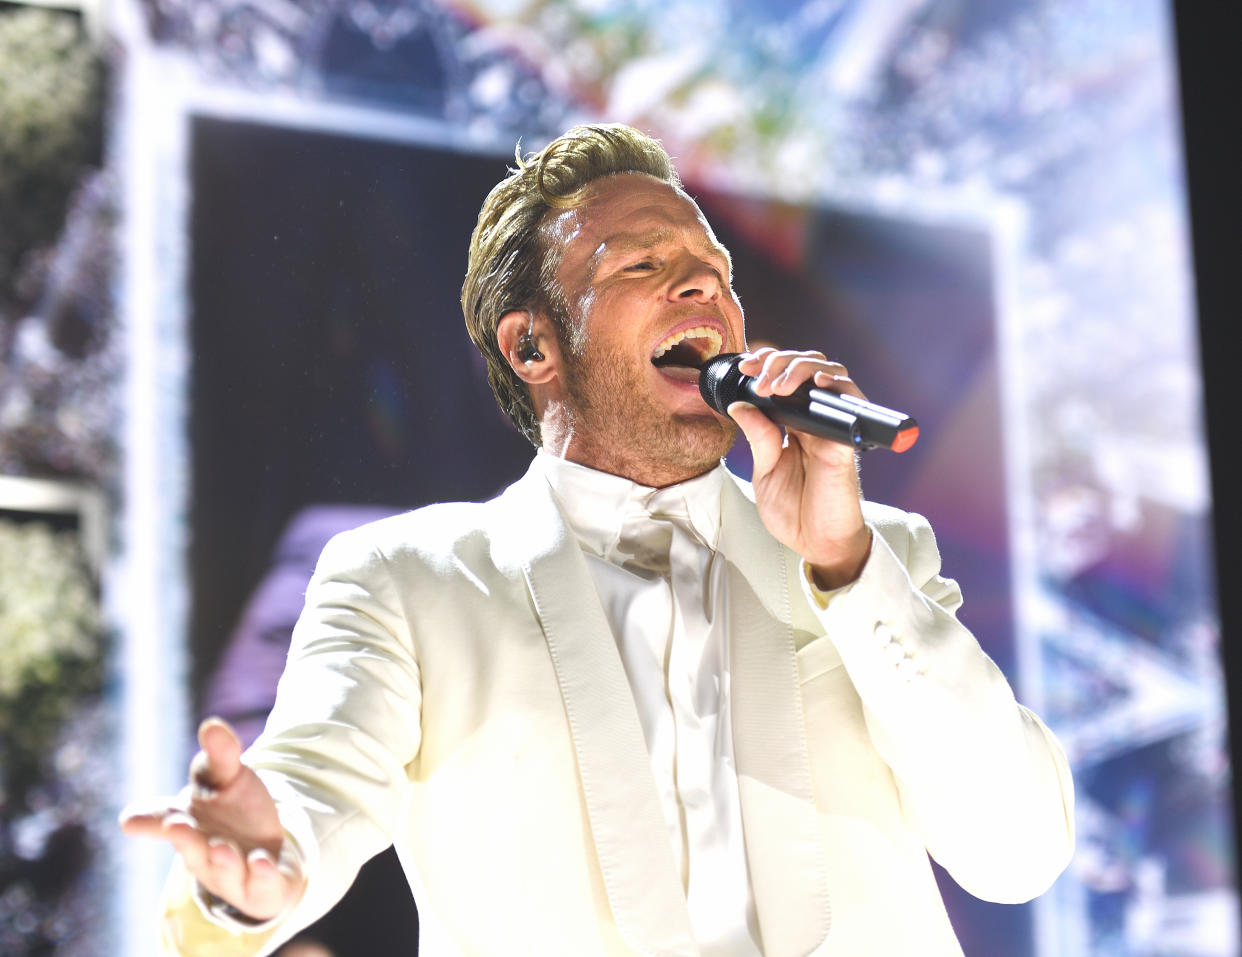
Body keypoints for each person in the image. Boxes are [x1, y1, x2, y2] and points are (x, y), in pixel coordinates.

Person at [122, 124, 1074, 956]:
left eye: (715, 270)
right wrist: (253, 868)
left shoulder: (879, 556)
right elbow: (310, 788)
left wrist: (848, 570)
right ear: (533, 349)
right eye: (642, 264)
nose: (702, 280)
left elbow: (1019, 852)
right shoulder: (404, 579)